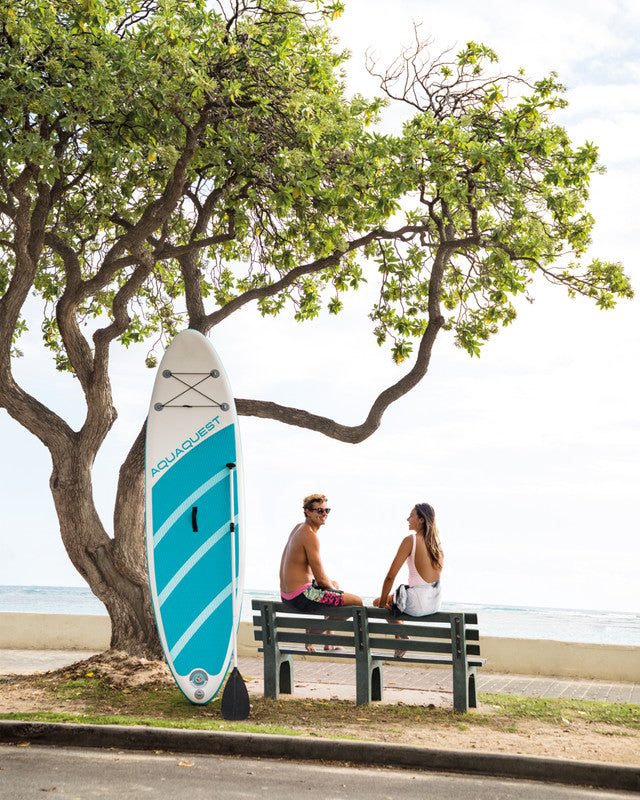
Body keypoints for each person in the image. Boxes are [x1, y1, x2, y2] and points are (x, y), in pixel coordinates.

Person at [279, 493, 363, 651]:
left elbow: (322, 581)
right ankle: (314, 632)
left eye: (326, 511)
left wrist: (334, 590)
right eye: (319, 511)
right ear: (307, 512)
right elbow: (322, 580)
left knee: (334, 585)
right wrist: (337, 594)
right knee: (356, 601)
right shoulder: (310, 536)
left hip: (288, 595)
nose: (324, 514)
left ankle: (328, 642)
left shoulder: (299, 528)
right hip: (302, 597)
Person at [373, 503, 443, 656]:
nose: (407, 519)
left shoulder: (411, 540)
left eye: (411, 515)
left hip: (418, 603)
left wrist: (383, 603)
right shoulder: (437, 543)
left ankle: (404, 638)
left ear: (421, 520)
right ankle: (401, 642)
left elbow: (390, 576)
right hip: (435, 602)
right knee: (396, 600)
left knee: (379, 602)